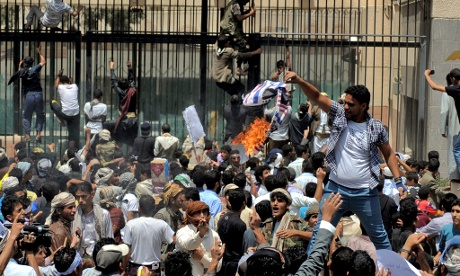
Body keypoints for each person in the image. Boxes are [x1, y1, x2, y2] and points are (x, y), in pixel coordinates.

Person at [284, 71, 404, 253]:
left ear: (363, 106)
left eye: (351, 104)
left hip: (365, 192)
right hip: (335, 190)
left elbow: (388, 153)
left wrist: (398, 181)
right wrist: (299, 80)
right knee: (319, 236)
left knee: (380, 238)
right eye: (345, 102)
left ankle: (390, 270)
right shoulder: (339, 114)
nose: (346, 107)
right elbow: (316, 96)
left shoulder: (376, 127)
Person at [124, 195, 174, 275]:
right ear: (154, 208)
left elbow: (126, 249)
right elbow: (173, 240)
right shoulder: (162, 225)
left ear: (139, 207)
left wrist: (124, 268)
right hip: (154, 270)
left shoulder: (130, 225)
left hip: (135, 269)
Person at [7, 46, 46, 142]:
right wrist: (40, 52)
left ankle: (27, 135)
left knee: (26, 115)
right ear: (32, 63)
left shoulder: (22, 71)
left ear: (24, 63)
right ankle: (38, 134)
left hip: (28, 95)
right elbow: (44, 62)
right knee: (40, 115)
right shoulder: (35, 69)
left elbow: (18, 74)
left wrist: (20, 66)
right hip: (38, 94)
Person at [425, 68, 460, 174]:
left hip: (455, 128)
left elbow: (434, 87)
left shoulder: (453, 90)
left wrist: (427, 74)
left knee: (456, 150)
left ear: (453, 78)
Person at [175, 201, 222, 276]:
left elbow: (218, 266)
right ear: (190, 215)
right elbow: (189, 245)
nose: (202, 216)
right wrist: (201, 234)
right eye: (197, 213)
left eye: (205, 212)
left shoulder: (214, 235)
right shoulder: (183, 232)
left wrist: (202, 258)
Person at [69, 181, 114, 257]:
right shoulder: (73, 215)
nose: (80, 200)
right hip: (78, 257)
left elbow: (109, 238)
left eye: (83, 196)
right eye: (78, 197)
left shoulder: (103, 214)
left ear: (92, 195)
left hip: (98, 257)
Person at [105, 60, 138, 148]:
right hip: (133, 119)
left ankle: (119, 157)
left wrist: (111, 69)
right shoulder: (132, 91)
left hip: (123, 119)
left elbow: (114, 83)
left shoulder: (121, 93)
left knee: (119, 138)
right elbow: (132, 81)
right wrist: (130, 68)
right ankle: (132, 158)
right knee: (132, 140)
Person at [219, 0, 256, 75]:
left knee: (243, 43)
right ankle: (240, 68)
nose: (246, 2)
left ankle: (241, 66)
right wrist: (250, 13)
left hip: (229, 29)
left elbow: (238, 15)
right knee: (244, 45)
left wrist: (249, 11)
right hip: (231, 30)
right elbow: (239, 18)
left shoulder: (232, 3)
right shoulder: (235, 4)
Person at [217, 189, 246, 276]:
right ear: (244, 203)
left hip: (223, 262)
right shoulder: (241, 224)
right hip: (235, 264)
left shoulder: (222, 219)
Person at [51, 70, 80, 149]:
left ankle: (62, 120)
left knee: (52, 103)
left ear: (61, 82)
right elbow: (72, 84)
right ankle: (71, 152)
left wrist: (58, 75)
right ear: (69, 81)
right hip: (75, 114)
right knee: (72, 135)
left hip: (65, 114)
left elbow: (56, 84)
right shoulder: (74, 86)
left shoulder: (61, 87)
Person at [154, 183, 184, 253]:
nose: (183, 202)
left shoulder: (180, 215)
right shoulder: (161, 215)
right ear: (172, 201)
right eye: (181, 200)